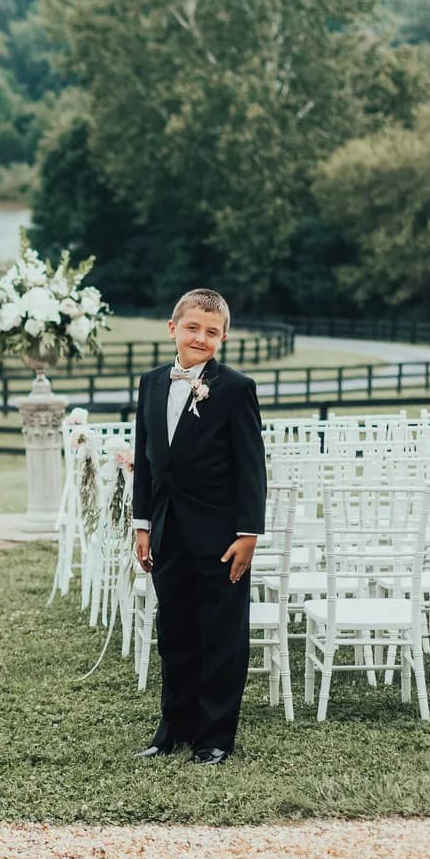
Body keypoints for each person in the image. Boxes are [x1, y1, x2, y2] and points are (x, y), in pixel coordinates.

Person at [129, 288, 266, 765]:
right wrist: (142, 524)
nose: (200, 338)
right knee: (176, 632)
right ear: (173, 329)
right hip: (168, 533)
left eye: (211, 332)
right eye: (192, 328)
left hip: (221, 537)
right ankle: (172, 731)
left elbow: (252, 468)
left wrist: (248, 535)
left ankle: (214, 738)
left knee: (221, 637)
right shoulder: (150, 384)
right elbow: (147, 464)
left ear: (223, 337)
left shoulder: (235, 388)